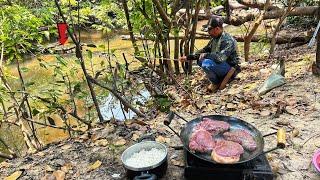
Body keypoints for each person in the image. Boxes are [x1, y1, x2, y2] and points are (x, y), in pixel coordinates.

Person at [179, 16, 240, 90]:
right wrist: (188, 57)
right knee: (200, 60)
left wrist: (206, 55)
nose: (208, 32)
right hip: (221, 65)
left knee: (206, 63)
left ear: (217, 29)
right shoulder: (214, 38)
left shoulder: (227, 40)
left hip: (231, 67)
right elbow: (205, 50)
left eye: (209, 29)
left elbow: (220, 58)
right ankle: (217, 79)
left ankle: (216, 83)